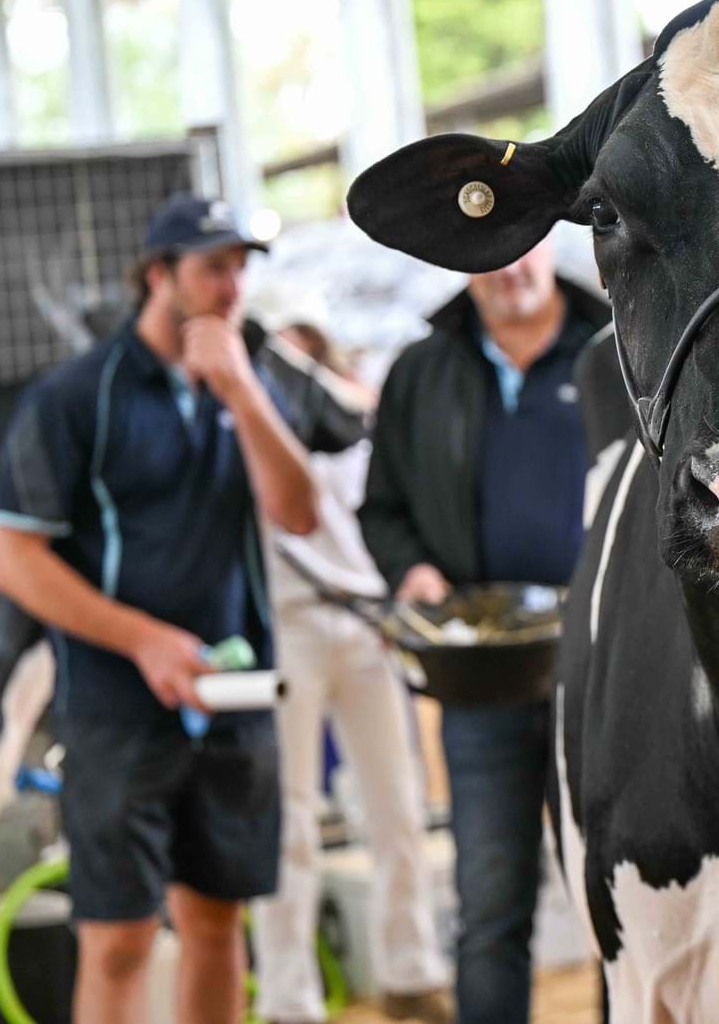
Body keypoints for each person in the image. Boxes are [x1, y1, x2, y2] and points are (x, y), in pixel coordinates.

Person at [0, 193, 318, 1024]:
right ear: (158, 275)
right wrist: (144, 641)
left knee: (217, 923)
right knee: (120, 939)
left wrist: (241, 391)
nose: (231, 287)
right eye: (212, 268)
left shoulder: (249, 379)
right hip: (114, 713)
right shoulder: (75, 396)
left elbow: (299, 511)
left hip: (233, 700)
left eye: (241, 269)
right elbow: (9, 558)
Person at [359, 238, 607, 1024]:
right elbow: (382, 506)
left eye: (522, 248)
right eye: (488, 254)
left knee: (621, 897)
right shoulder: (420, 371)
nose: (508, 270)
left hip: (607, 671)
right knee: (491, 907)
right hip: (482, 677)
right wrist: (412, 571)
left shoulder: (617, 350)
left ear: (551, 244)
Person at [250, 300, 451, 1024]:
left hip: (366, 620)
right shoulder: (251, 421)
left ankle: (411, 970)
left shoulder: (357, 417)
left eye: (303, 356)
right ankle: (289, 998)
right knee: (288, 819)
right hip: (286, 622)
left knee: (396, 803)